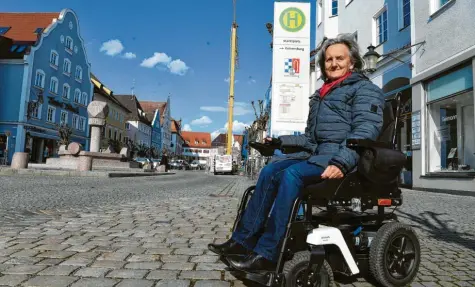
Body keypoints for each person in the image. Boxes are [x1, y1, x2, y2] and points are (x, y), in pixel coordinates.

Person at [208, 34, 386, 272]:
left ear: (351, 62)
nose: (333, 63)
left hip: (343, 159)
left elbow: (366, 130)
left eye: (339, 59)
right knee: (271, 169)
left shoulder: (365, 90)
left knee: (292, 174)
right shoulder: (322, 95)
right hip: (318, 155)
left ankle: (268, 253)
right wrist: (279, 142)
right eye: (328, 59)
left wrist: (342, 162)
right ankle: (242, 241)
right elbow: (310, 139)